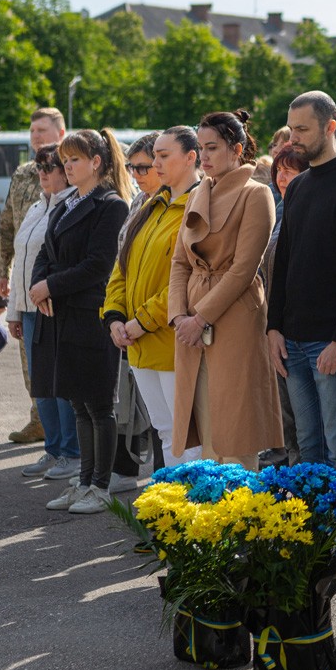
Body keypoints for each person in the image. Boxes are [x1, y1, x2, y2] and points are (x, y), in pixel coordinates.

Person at [267, 93, 336, 592]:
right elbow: (283, 264)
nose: (294, 139)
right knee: (306, 446)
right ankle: (315, 541)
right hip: (293, 340)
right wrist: (273, 328)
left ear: (330, 126)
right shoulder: (301, 187)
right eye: (290, 130)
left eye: (303, 130)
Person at [170, 111, 282, 472]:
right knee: (205, 428)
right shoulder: (197, 193)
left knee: (236, 430)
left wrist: (199, 318)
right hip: (191, 319)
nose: (204, 156)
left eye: (212, 148)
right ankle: (213, 517)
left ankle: (242, 518)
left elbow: (244, 269)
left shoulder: (257, 193)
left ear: (237, 149)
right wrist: (178, 317)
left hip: (234, 317)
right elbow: (179, 263)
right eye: (200, 148)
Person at [34, 129, 131, 514]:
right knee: (77, 402)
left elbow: (98, 265)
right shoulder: (66, 202)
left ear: (96, 162)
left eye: (75, 159)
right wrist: (40, 284)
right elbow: (46, 250)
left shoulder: (111, 205)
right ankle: (84, 481)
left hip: (91, 315)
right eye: (65, 160)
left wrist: (49, 286)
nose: (67, 167)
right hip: (63, 316)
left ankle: (100, 487)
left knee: (98, 405)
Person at [103, 126, 205, 475]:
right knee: (167, 432)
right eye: (153, 157)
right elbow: (122, 267)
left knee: (187, 438)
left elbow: (189, 280)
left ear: (191, 157)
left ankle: (192, 514)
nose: (155, 163)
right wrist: (114, 317)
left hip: (171, 340)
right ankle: (173, 512)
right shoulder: (151, 206)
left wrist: (140, 321)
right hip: (138, 341)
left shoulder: (199, 204)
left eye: (163, 156)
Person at [7, 143, 79, 480]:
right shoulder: (38, 206)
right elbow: (21, 261)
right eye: (40, 167)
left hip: (55, 308)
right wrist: (14, 310)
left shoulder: (71, 208)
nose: (43, 174)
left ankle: (71, 453)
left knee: (62, 384)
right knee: (41, 386)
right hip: (29, 310)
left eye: (49, 167)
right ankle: (52, 450)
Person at [0, 107, 66, 445]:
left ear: (61, 133)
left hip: (54, 285)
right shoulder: (25, 173)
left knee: (54, 366)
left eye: (42, 130)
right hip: (24, 281)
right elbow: (8, 224)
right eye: (32, 130)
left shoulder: (69, 171)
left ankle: (58, 434)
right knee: (30, 362)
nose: (36, 136)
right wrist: (2, 271)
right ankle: (39, 419)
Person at [258, 145, 309, 469]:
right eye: (279, 170)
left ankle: (308, 487)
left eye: (291, 169)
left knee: (307, 422)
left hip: (304, 329)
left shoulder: (308, 209)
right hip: (277, 325)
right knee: (287, 414)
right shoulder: (279, 208)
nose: (282, 176)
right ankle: (292, 479)